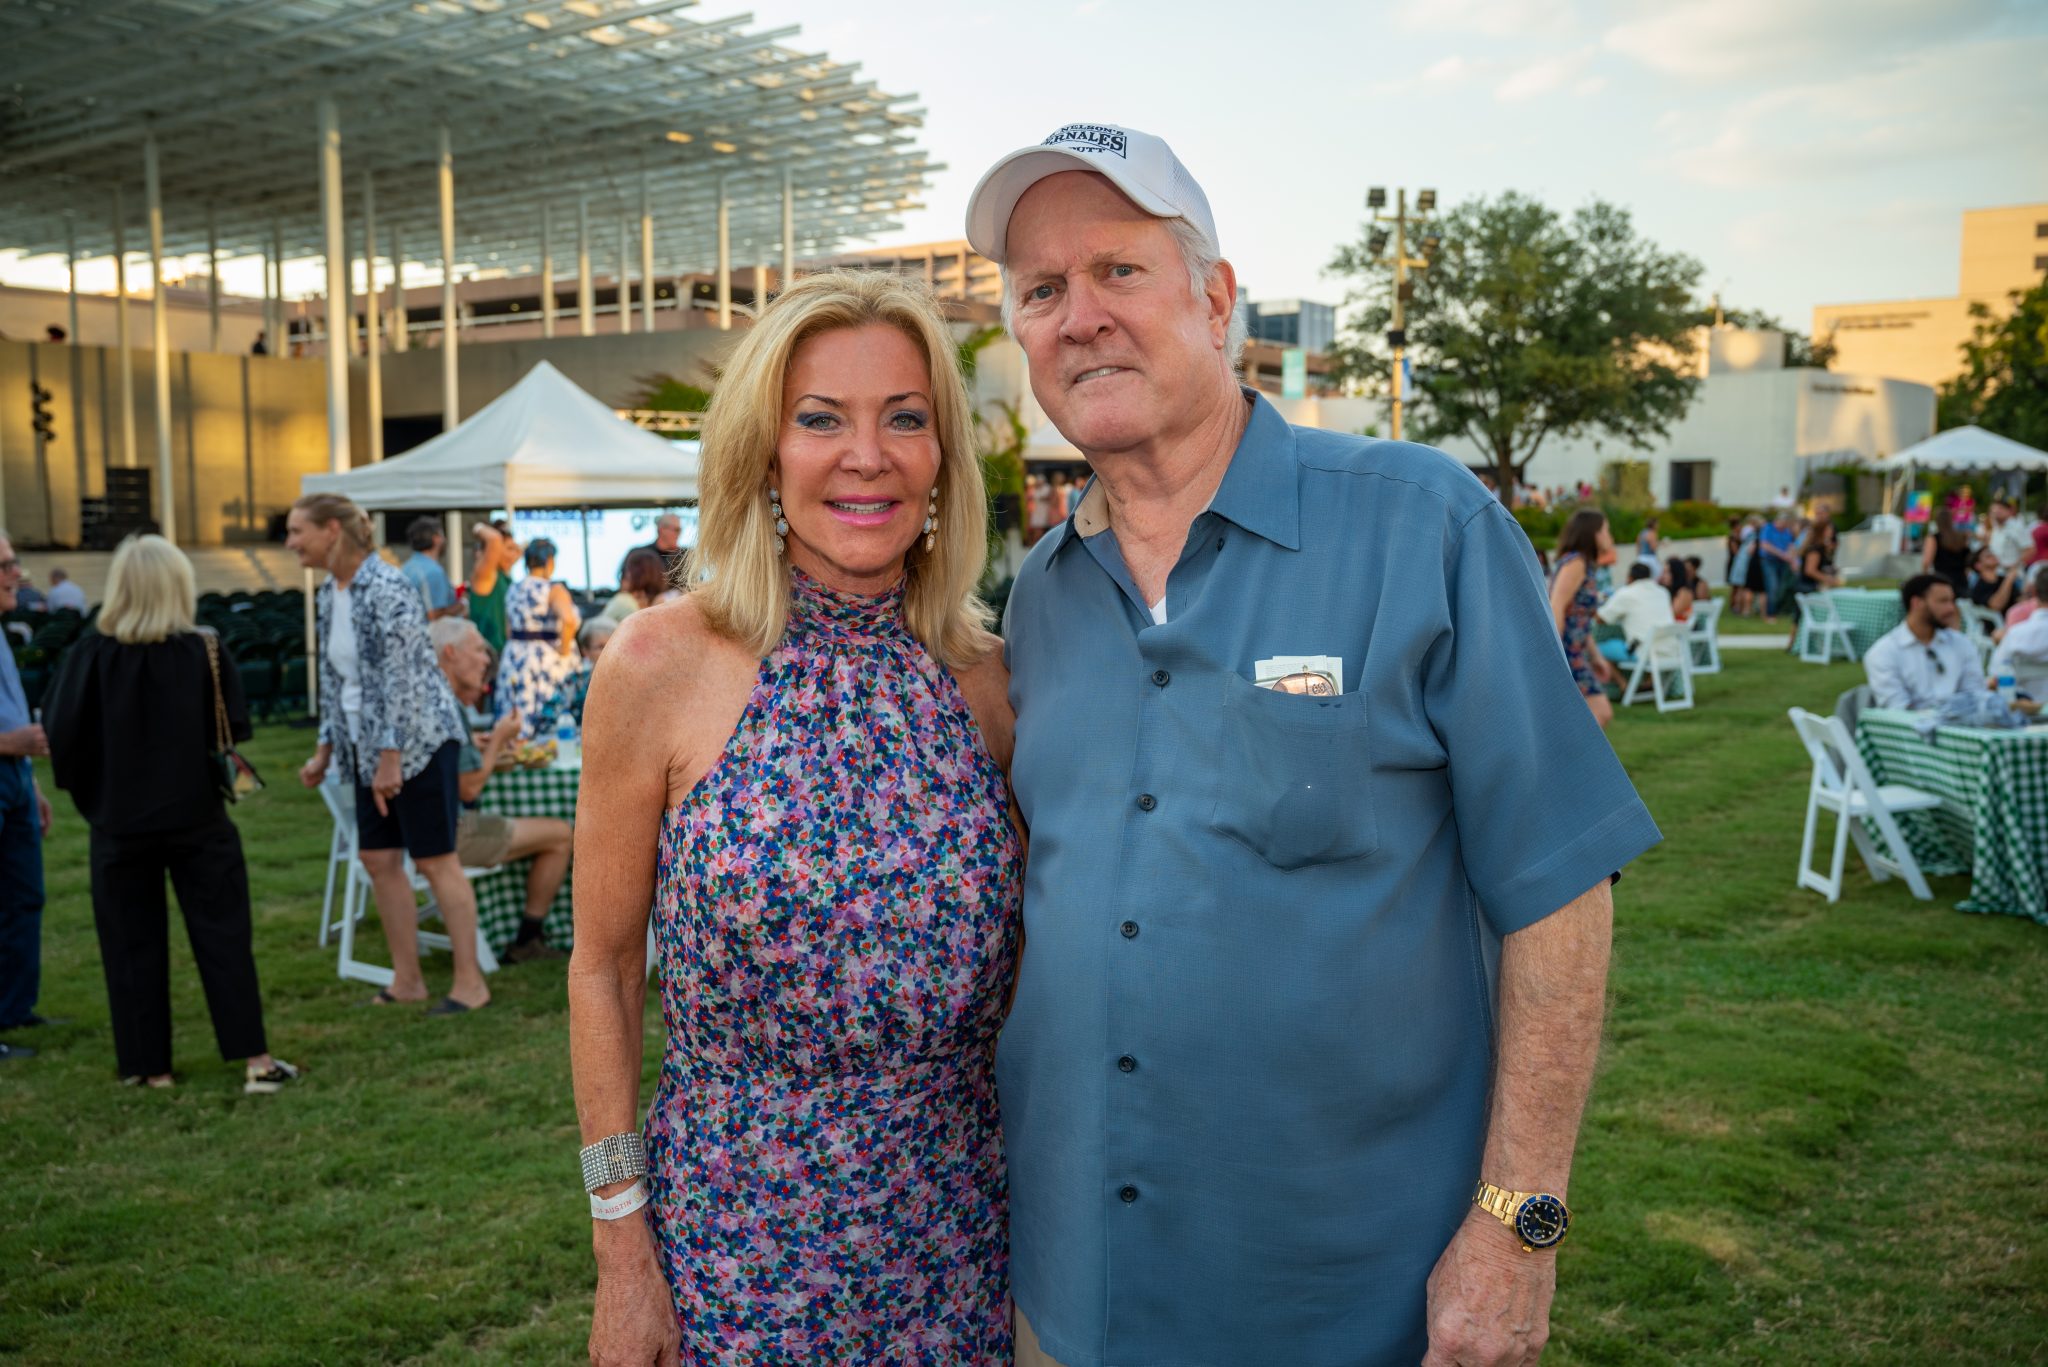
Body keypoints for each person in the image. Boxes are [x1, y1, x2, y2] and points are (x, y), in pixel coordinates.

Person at [967, 121, 1660, 1367]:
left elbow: (1560, 889)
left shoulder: (1423, 526)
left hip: (1353, 1294)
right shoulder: (1042, 595)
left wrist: (1517, 1224)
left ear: (1215, 297)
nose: (1078, 317)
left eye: (1117, 270)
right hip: (1073, 1290)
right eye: (1041, 290)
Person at [569, 270, 1020, 1365]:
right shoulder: (659, 664)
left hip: (959, 1243)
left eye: (902, 417)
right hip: (729, 1248)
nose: (864, 454)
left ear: (940, 460)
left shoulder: (987, 683)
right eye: (819, 418)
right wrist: (622, 1253)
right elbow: (602, 967)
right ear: (763, 452)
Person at [44, 536, 298, 1092]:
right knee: (224, 936)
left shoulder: (87, 657)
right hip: (197, 818)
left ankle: (148, 1066)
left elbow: (63, 741)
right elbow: (231, 731)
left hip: (118, 824)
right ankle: (255, 1059)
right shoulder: (203, 653)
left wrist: (99, 799)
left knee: (129, 946)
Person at [288, 493, 489, 1014]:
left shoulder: (387, 584)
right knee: (377, 857)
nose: (290, 543)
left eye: (297, 532)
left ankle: (470, 982)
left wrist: (390, 759)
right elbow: (335, 681)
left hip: (419, 743)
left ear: (331, 530)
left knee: (435, 858)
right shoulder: (330, 594)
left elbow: (400, 681)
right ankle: (408, 979)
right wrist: (324, 750)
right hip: (365, 748)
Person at [428, 617, 573, 964]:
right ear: (450, 653)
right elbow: (469, 787)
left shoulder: (432, 699)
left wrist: (480, 744)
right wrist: (499, 741)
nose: (486, 660)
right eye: (478, 650)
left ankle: (517, 929)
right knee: (562, 834)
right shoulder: (447, 706)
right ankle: (527, 937)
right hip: (451, 833)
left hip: (427, 830)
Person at [0, 531, 54, 1062]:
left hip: (13, 777)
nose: (17, 573)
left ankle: (14, 1007)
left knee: (24, 895)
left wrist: (30, 782)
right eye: (5, 565)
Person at [495, 538, 580, 740]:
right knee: (547, 714)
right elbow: (568, 620)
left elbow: (508, 628)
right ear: (549, 561)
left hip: (515, 656)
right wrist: (565, 651)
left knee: (516, 712)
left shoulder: (513, 588)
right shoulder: (553, 588)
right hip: (543, 658)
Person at [1863, 574, 1985, 711]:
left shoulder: (1961, 643)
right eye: (1943, 601)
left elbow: (1975, 695)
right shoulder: (1883, 652)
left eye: (1952, 601)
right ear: (1917, 603)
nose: (1951, 609)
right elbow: (1898, 711)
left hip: (1962, 727)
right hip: (1909, 730)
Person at [1551, 507, 1617, 728]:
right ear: (1594, 534)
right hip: (1567, 652)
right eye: (1606, 530)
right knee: (1600, 712)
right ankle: (1570, 760)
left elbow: (1581, 619)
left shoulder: (1586, 565)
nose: (1610, 537)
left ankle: (1568, 759)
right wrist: (1556, 652)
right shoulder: (1576, 563)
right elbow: (1557, 605)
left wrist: (1596, 656)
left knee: (1582, 718)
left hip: (1576, 651)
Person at [1599, 561, 1676, 665]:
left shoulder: (1626, 592)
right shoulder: (1663, 592)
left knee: (1594, 650)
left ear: (1630, 577)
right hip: (1670, 649)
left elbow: (1601, 618)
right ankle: (1638, 681)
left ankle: (1623, 682)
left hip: (1643, 652)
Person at [467, 519, 522, 656]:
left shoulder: (505, 578)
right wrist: (477, 526)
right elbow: (494, 539)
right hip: (489, 656)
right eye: (509, 549)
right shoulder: (486, 575)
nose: (514, 554)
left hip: (504, 654)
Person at [400, 516, 460, 621]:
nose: (444, 540)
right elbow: (435, 615)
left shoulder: (406, 567)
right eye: (442, 535)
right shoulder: (433, 572)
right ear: (436, 539)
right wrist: (462, 605)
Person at [564, 617, 613, 727]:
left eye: (612, 644)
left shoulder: (627, 682)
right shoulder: (573, 681)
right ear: (585, 651)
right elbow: (551, 718)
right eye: (600, 646)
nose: (608, 650)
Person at [600, 548, 669, 622]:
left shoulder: (624, 602)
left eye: (625, 571)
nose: (622, 576)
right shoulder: (663, 605)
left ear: (631, 575)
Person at [619, 512, 687, 581]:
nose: (679, 534)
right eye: (676, 530)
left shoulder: (684, 557)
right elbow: (625, 580)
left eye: (680, 530)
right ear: (662, 529)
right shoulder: (639, 555)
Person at [1758, 509, 1800, 621]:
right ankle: (1770, 614)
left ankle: (1777, 610)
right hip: (1769, 561)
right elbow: (1765, 545)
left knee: (1780, 587)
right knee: (1772, 586)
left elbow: (1791, 546)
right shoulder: (1768, 528)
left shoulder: (1786, 531)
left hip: (1781, 563)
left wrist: (1793, 560)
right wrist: (1782, 555)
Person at [1921, 504, 1973, 590]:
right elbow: (1968, 560)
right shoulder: (1961, 537)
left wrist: (1924, 577)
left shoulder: (1934, 538)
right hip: (1961, 579)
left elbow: (1927, 561)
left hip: (1941, 579)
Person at [1964, 546, 2021, 616]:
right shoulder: (1978, 588)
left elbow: (2019, 599)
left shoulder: (2003, 579)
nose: (1993, 556)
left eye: (1993, 554)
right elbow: (1996, 605)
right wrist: (2008, 580)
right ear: (1978, 565)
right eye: (1988, 556)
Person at [1987, 497, 2034, 573]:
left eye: (2000, 508)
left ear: (2008, 511)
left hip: (2013, 575)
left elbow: (2030, 549)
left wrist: (2014, 565)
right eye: (1993, 509)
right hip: (1997, 573)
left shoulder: (2016, 527)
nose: (1996, 511)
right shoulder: (1995, 528)